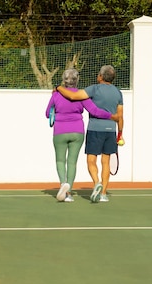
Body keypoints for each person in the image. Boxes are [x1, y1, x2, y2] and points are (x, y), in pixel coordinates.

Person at [46, 68, 118, 202]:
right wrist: (111, 116)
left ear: (64, 80)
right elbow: (94, 111)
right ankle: (68, 193)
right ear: (77, 80)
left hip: (60, 131)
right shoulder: (81, 95)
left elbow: (47, 113)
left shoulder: (56, 95)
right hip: (77, 131)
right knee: (72, 162)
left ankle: (63, 185)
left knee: (60, 160)